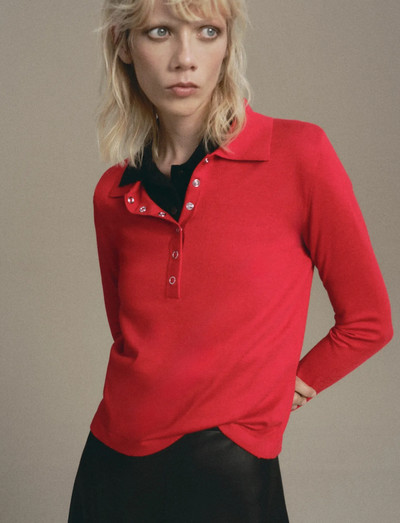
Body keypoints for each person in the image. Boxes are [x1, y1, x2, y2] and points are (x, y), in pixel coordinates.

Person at [68, 0, 393, 521]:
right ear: (124, 45)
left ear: (227, 44)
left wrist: (273, 398)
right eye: (159, 32)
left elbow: (369, 321)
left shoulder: (298, 154)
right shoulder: (114, 193)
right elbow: (131, 336)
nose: (185, 58)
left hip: (231, 469)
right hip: (112, 465)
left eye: (207, 31)